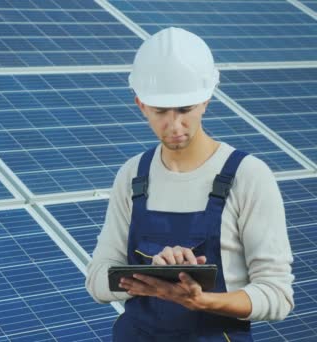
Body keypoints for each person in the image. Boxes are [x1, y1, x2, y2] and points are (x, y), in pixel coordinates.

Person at [85, 27, 294, 341]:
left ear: (206, 100)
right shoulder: (132, 175)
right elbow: (98, 278)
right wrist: (148, 274)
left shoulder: (248, 176)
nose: (174, 125)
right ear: (141, 104)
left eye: (185, 109)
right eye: (159, 112)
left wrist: (201, 300)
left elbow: (277, 296)